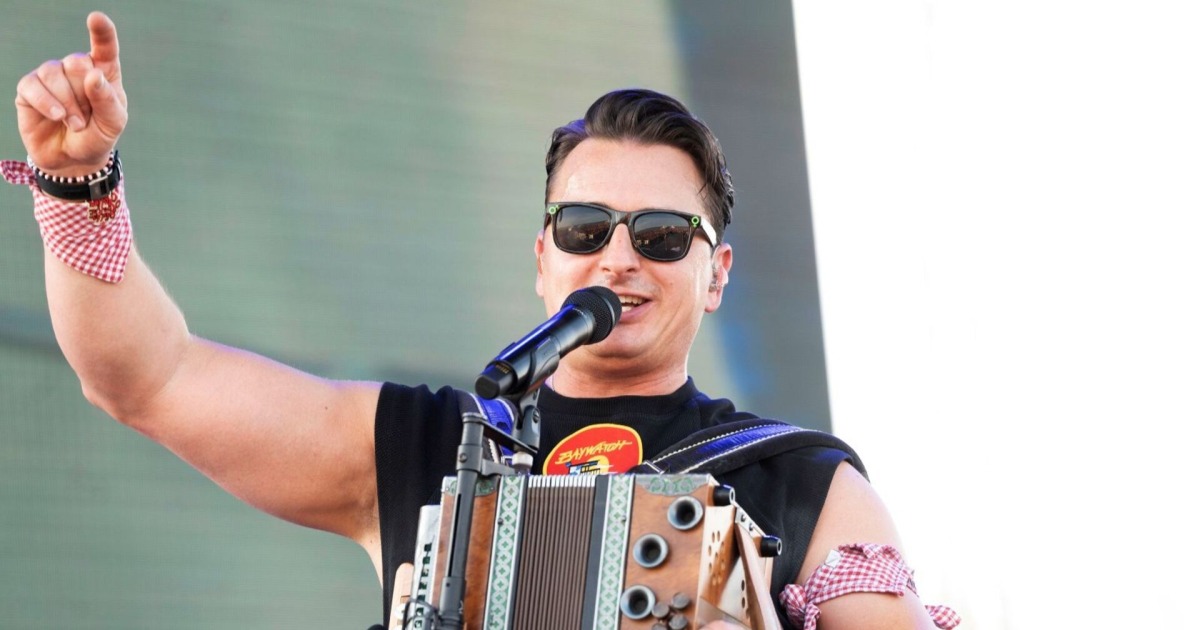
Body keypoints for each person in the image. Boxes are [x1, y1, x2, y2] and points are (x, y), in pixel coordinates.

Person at [6, 12, 958, 630]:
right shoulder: (426, 447)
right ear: (543, 258)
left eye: (664, 237)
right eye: (585, 228)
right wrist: (77, 185)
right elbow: (147, 377)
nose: (618, 258)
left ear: (717, 277)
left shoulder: (801, 485)